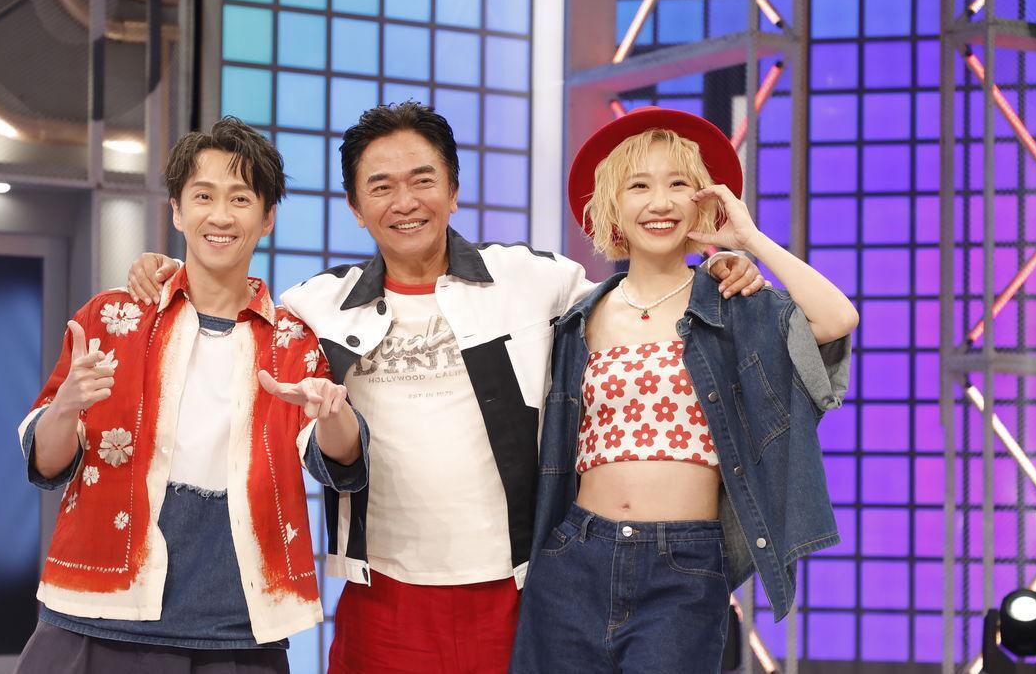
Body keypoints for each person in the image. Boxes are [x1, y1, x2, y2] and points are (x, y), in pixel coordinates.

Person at [125, 102, 765, 673]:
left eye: (423, 180)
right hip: (382, 597)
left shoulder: (535, 279)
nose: (404, 201)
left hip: (521, 590)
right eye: (381, 187)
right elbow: (234, 306)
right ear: (355, 208)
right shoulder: (316, 304)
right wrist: (170, 269)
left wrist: (718, 270)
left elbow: (644, 305)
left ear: (453, 192)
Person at [13, 118, 369, 674]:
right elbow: (47, 464)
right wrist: (64, 408)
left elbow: (341, 462)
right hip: (95, 610)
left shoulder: (294, 341)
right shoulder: (112, 316)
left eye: (241, 198)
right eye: (203, 196)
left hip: (238, 627)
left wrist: (334, 414)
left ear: (268, 217)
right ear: (177, 211)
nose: (220, 215)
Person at [511, 107, 858, 673]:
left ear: (704, 202)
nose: (661, 202)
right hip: (576, 554)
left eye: (679, 185)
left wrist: (749, 240)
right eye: (639, 186)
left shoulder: (733, 306)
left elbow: (837, 318)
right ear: (611, 205)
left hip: (684, 563)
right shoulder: (579, 317)